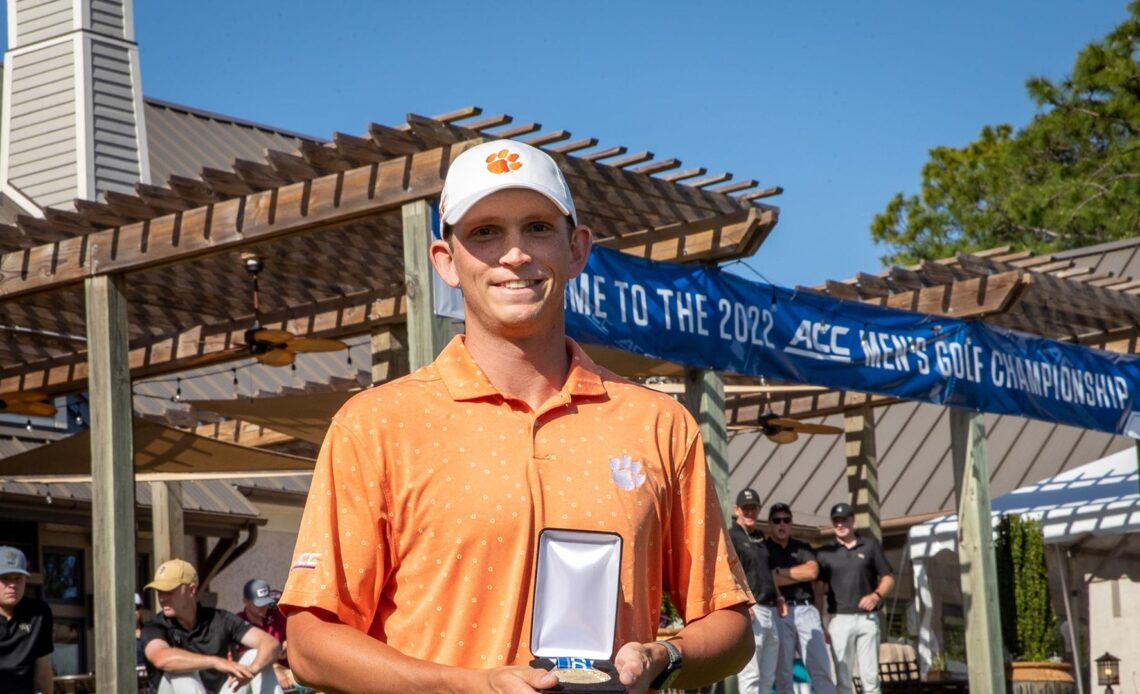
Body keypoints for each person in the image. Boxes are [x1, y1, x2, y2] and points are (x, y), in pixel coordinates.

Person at [280, 139, 754, 694]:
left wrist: (666, 656)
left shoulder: (659, 423)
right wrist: (467, 686)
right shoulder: (375, 425)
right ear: (445, 261)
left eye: (536, 227)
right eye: (484, 233)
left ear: (576, 249)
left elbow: (730, 622)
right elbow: (311, 642)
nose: (515, 254)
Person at [140, 559, 282, 694]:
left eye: (169, 591)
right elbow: (161, 658)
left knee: (254, 655)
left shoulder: (219, 619)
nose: (162, 598)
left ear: (191, 590)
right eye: (159, 591)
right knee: (181, 671)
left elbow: (271, 644)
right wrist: (216, 662)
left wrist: (252, 671)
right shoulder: (155, 626)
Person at [816, 503, 894, 694]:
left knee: (871, 678)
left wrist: (876, 595)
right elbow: (818, 588)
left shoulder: (870, 546)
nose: (841, 524)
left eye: (844, 520)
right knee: (842, 678)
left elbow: (888, 577)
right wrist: (820, 622)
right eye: (836, 520)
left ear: (853, 520)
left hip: (867, 619)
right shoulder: (825, 553)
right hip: (839, 619)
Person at [765, 503, 836, 694]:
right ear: (770, 524)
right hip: (779, 612)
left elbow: (812, 571)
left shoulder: (802, 546)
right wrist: (795, 574)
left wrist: (780, 573)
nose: (782, 524)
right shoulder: (764, 549)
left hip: (806, 610)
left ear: (791, 524)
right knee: (783, 673)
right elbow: (769, 579)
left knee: (821, 667)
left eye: (786, 520)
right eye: (777, 520)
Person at [727, 489, 783, 694]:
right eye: (746, 508)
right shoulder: (732, 535)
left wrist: (780, 596)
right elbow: (728, 572)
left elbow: (767, 571)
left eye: (754, 508)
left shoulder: (760, 537)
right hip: (752, 609)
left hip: (770, 608)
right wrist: (743, 602)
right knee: (751, 673)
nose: (750, 512)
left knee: (768, 673)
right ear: (737, 510)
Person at [234, 579, 303, 693]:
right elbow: (244, 658)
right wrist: (275, 670)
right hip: (256, 675)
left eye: (266, 602)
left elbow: (297, 639)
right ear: (245, 601)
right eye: (259, 604)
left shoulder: (276, 615)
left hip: (287, 669)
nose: (264, 607)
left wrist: (288, 646)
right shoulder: (238, 621)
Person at [0, 547, 53, 694]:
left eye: (18, 578)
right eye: (5, 578)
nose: (12, 585)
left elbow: (43, 668)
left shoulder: (39, 613)